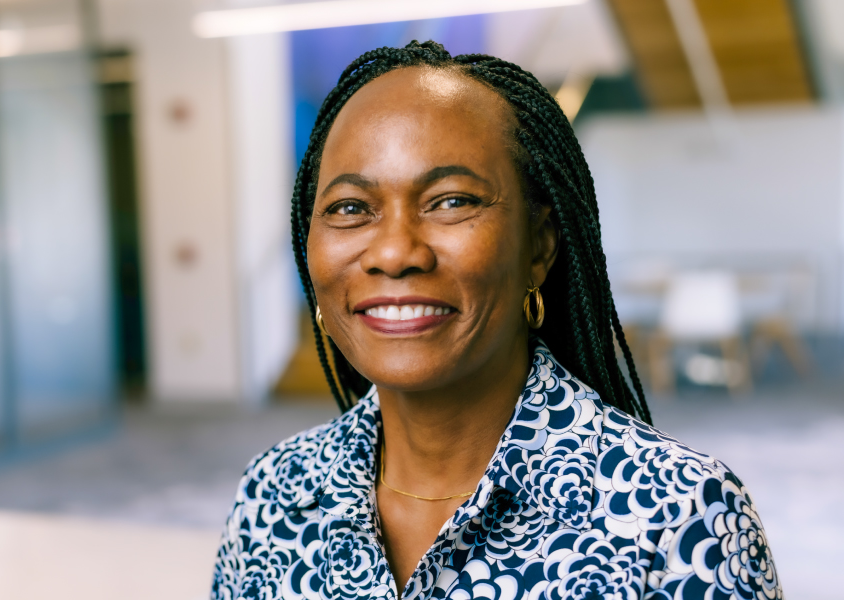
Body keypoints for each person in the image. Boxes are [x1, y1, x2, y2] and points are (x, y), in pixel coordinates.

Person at [210, 41, 780, 600]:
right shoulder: (274, 495)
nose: (394, 252)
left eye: (451, 200)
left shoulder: (678, 517)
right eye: (351, 209)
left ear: (539, 246)